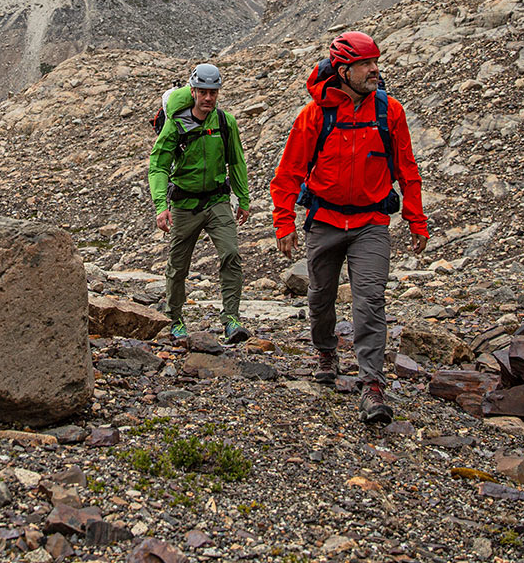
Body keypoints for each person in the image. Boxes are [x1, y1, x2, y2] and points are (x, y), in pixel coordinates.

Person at [270, 32, 428, 425]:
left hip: (371, 223)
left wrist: (416, 219)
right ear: (343, 70)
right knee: (320, 296)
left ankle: (371, 384)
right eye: (365, 64)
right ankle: (326, 351)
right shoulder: (314, 115)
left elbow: (407, 170)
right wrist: (283, 223)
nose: (375, 69)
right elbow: (288, 174)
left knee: (370, 299)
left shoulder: (389, 112)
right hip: (323, 220)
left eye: (375, 62)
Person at [149, 63, 252, 344]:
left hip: (218, 200)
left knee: (230, 254)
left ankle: (231, 319)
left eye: (214, 92)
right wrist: (161, 206)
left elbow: (236, 161)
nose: (208, 98)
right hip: (184, 204)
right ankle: (175, 318)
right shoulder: (176, 124)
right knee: (178, 264)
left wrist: (243, 198)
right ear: (193, 91)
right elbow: (158, 166)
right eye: (204, 92)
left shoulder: (224, 122)